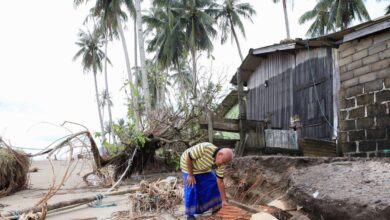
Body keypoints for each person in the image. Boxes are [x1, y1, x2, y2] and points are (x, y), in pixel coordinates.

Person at [180, 142, 233, 219]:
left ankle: (216, 205)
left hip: (202, 168)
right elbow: (188, 157)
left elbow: (220, 182)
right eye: (223, 162)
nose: (223, 164)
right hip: (187, 165)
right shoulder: (205, 148)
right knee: (191, 187)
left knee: (214, 181)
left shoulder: (221, 163)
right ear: (220, 155)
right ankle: (190, 214)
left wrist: (224, 200)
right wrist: (190, 175)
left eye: (225, 163)